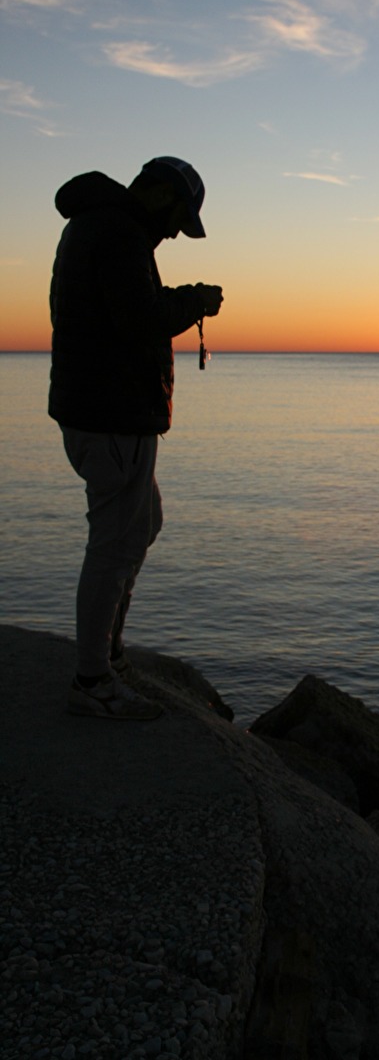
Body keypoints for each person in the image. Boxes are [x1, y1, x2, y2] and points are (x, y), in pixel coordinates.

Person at [49, 156, 223, 720]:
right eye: (178, 217)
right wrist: (192, 301)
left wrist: (177, 298)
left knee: (141, 524)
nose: (175, 231)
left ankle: (109, 656)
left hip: (106, 410)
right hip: (111, 414)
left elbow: (124, 310)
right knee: (114, 544)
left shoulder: (103, 226)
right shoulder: (118, 233)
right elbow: (139, 319)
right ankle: (93, 679)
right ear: (159, 196)